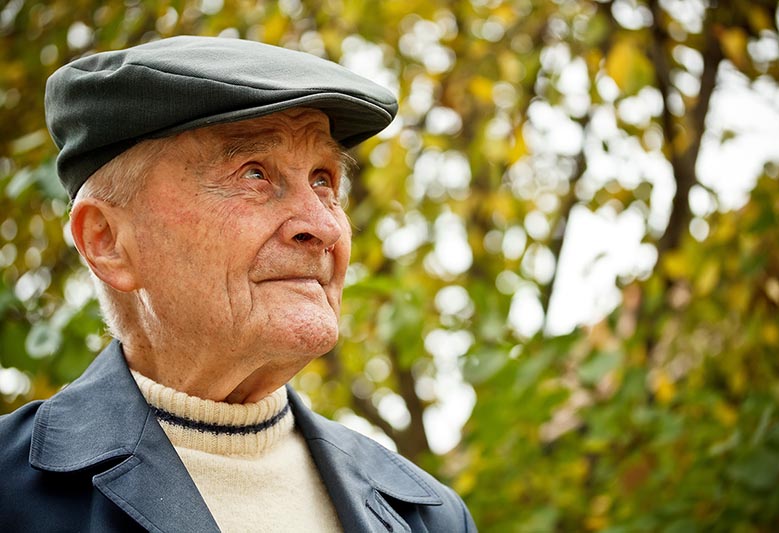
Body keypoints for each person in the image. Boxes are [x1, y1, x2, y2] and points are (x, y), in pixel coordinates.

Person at [0, 36, 477, 532]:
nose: (324, 227)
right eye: (254, 174)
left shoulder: (429, 515)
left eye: (323, 180)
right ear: (107, 241)